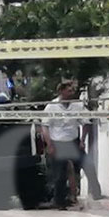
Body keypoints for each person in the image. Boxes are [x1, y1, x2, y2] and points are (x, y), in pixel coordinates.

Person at [41, 81, 90, 209]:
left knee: (87, 165)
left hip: (73, 141)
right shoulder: (51, 106)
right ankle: (59, 201)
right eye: (69, 91)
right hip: (57, 142)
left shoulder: (77, 105)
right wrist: (50, 144)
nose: (72, 93)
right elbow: (45, 127)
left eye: (73, 91)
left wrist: (82, 140)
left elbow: (86, 122)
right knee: (60, 174)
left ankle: (93, 194)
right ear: (61, 91)